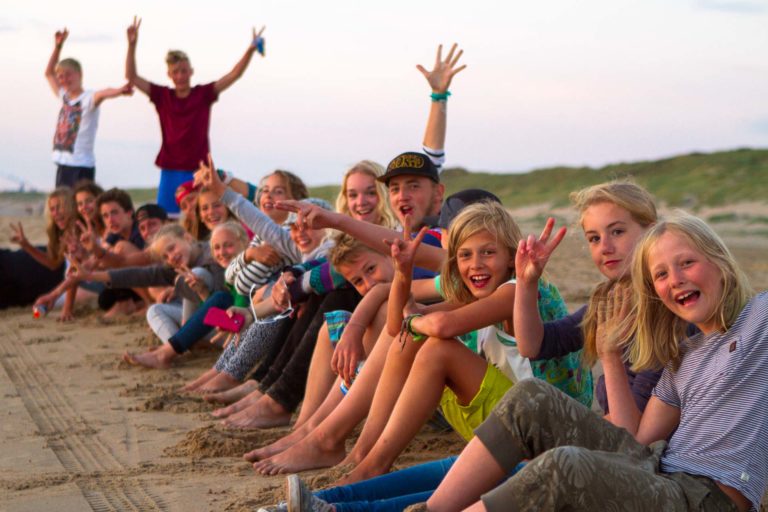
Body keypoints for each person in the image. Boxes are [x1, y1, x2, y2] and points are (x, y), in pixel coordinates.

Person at [418, 212, 765, 512]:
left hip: (707, 500)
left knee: (564, 464)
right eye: (660, 275)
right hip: (661, 473)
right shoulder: (684, 357)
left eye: (687, 263)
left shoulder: (759, 319)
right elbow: (636, 443)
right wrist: (610, 355)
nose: (675, 279)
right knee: (531, 398)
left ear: (720, 262)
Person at [125, 16, 265, 216]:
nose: (180, 76)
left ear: (191, 71)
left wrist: (250, 50)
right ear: (169, 75)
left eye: (183, 71)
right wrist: (132, 45)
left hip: (198, 170)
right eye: (175, 72)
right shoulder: (162, 96)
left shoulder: (203, 94)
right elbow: (132, 77)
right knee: (167, 218)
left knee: (202, 216)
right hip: (170, 169)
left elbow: (233, 75)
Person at [45, 28, 132, 187]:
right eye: (61, 76)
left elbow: (103, 93)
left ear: (79, 74)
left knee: (80, 208)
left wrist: (120, 91)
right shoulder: (63, 96)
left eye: (68, 74)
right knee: (65, 209)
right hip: (63, 163)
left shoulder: (88, 98)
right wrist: (58, 47)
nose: (64, 79)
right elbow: (49, 73)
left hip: (81, 165)